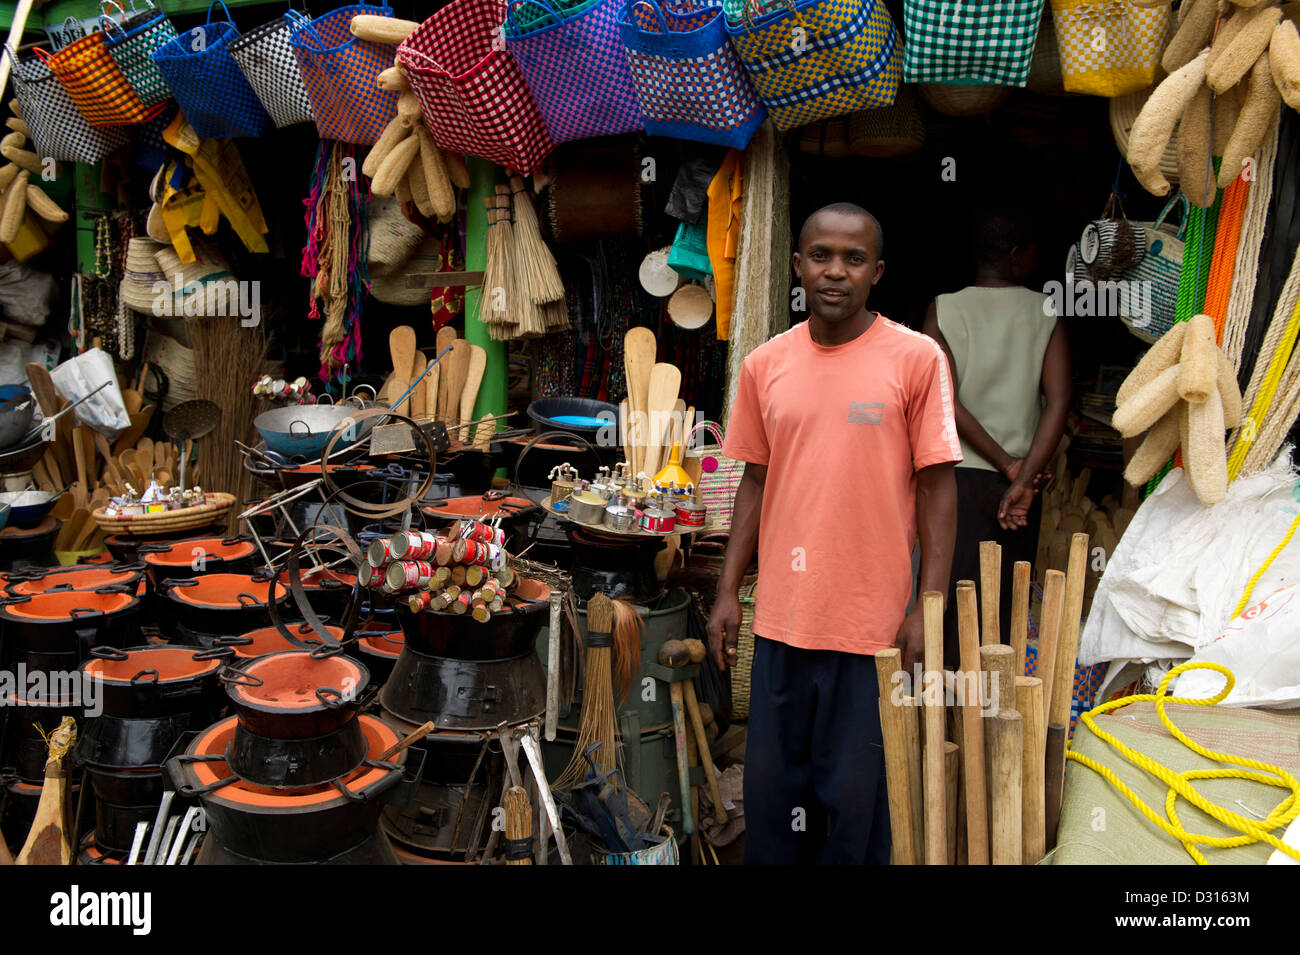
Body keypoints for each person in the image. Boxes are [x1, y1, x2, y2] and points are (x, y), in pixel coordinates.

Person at [707, 202, 961, 865]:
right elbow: (755, 481)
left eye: (853, 259)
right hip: (782, 625)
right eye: (821, 255)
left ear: (877, 272)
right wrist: (728, 589)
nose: (835, 272)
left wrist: (925, 609)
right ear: (797, 264)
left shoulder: (916, 359)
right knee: (773, 806)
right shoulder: (766, 364)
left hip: (870, 633)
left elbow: (938, 489)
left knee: (856, 810)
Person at [921, 208, 1071, 665]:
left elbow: (943, 401)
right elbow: (1060, 400)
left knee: (943, 599)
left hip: (953, 481)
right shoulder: (1044, 310)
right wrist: (1022, 475)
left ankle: (936, 716)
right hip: (1021, 487)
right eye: (1032, 252)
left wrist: (1009, 467)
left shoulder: (943, 308)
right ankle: (989, 716)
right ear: (1014, 257)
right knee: (1002, 605)